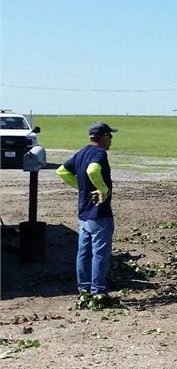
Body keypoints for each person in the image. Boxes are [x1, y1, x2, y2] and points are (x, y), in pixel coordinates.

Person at [56, 122, 117, 297]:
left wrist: (81, 188)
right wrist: (103, 190)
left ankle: (84, 289)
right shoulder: (99, 153)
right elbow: (93, 170)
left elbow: (62, 171)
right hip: (99, 213)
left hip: (83, 213)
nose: (111, 140)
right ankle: (98, 290)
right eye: (110, 136)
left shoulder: (81, 152)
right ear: (104, 136)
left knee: (84, 252)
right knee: (100, 252)